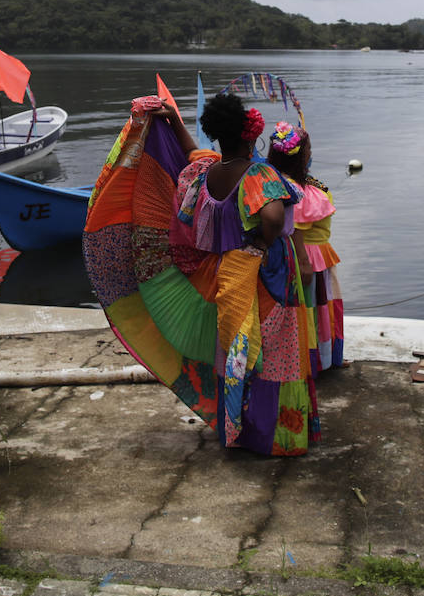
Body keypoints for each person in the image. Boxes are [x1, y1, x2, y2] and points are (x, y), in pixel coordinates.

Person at [83, 91, 321, 455]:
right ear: (248, 135)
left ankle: (235, 430)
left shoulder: (206, 174)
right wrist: (262, 241)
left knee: (235, 348)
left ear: (219, 135)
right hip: (266, 273)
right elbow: (273, 216)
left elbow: (191, 151)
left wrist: (175, 122)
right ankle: (275, 437)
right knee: (274, 353)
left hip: (228, 271)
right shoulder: (258, 173)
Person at [268, 121, 346, 372]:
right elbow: (298, 229)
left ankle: (318, 357)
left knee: (316, 308)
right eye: (308, 149)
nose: (311, 153)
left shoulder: (275, 183)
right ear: (300, 155)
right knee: (313, 309)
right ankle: (313, 361)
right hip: (311, 257)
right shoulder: (300, 191)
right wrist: (304, 263)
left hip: (308, 255)